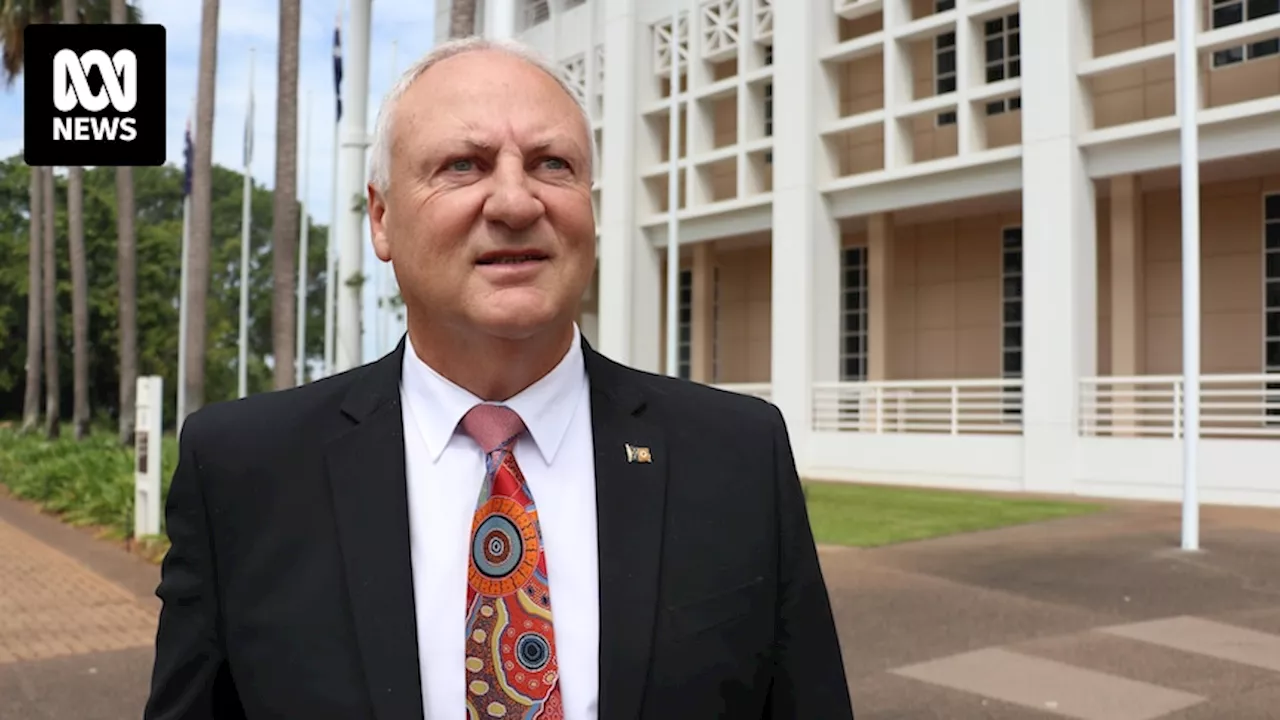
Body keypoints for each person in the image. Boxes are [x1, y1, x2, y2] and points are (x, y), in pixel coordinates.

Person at [144, 36, 853, 720]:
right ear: (382, 219)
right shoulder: (243, 472)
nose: (516, 203)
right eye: (463, 165)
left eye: (552, 164)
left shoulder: (737, 454)